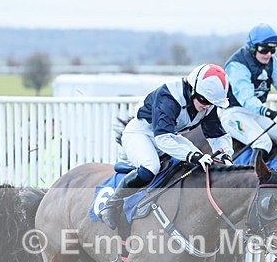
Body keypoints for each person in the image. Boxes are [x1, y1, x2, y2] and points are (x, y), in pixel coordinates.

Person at [98, 63, 234, 230]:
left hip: (168, 136)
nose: (206, 106)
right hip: (141, 134)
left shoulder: (206, 104)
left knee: (201, 164)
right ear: (192, 89)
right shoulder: (168, 97)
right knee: (151, 167)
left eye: (212, 103)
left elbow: (217, 134)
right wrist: (193, 155)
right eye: (204, 100)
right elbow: (162, 138)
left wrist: (225, 155)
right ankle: (112, 204)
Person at [220, 23, 277, 162]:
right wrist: (271, 114)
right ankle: (252, 175)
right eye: (264, 50)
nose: (268, 55)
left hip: (257, 114)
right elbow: (247, 99)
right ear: (253, 47)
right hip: (234, 113)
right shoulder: (237, 64)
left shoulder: (273, 62)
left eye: (272, 50)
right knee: (263, 142)